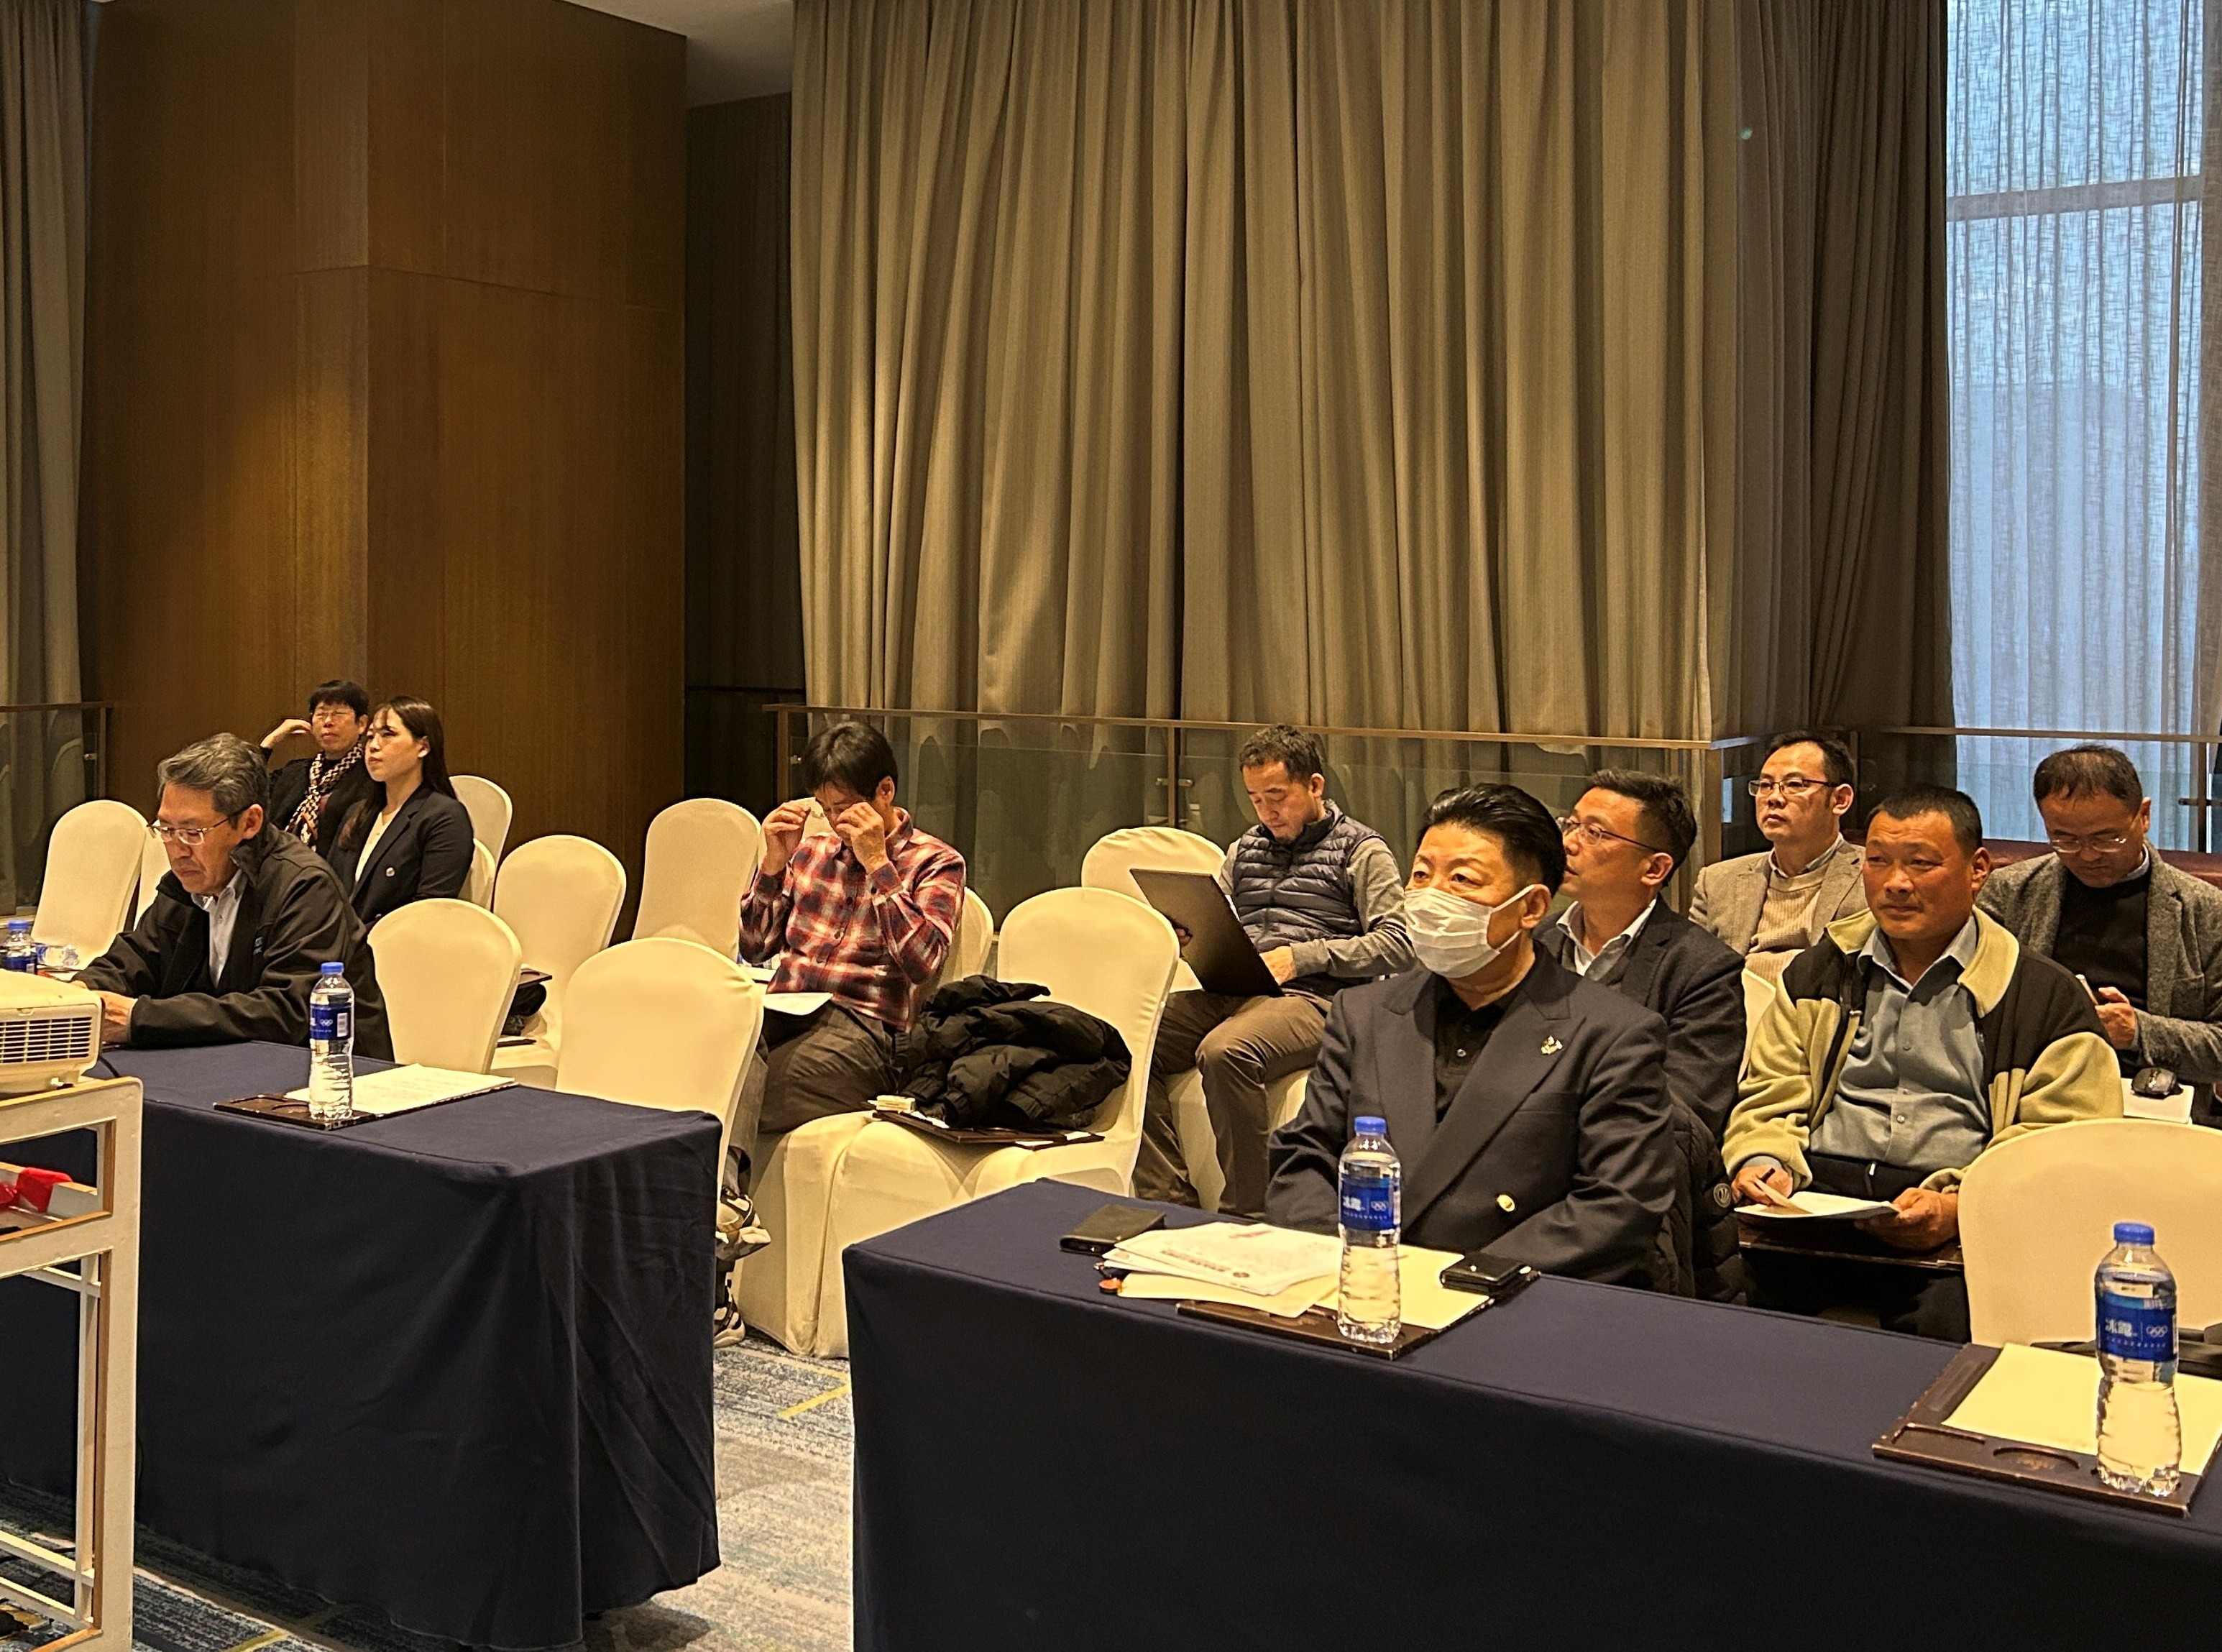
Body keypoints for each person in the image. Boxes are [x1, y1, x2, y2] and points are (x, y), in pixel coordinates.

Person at [1726, 786, 2120, 1339]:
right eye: (1877, 862)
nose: (1895, 883)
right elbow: (1770, 1090)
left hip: (1956, 1213)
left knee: (1949, 1337)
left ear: (1977, 870)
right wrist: (1762, 1159)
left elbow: (2061, 1142)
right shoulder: (1820, 972)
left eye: (1920, 864)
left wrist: (1961, 1204)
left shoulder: (2040, 996)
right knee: (1717, 1300)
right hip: (1812, 1201)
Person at [1264, 784, 1674, 1284]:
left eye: (1462, 879)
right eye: (1421, 875)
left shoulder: (1612, 1034)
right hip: (1359, 1283)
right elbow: (1304, 1156)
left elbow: (1618, 1204)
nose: (1431, 897)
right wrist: (1350, 1259)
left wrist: (1462, 1280)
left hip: (1509, 1297)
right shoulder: (1364, 1013)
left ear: (1531, 907)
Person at [1132, 725, 1411, 1217]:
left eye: (1277, 797)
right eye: (1256, 799)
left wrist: (1303, 957)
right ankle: (1167, 1199)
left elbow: (1399, 944)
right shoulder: (1244, 850)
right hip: (1237, 986)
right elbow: (1220, 915)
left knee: (1226, 1051)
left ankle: (1250, 1213)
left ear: (1315, 786)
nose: (1266, 812)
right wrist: (1190, 936)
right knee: (1131, 1039)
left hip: (1317, 999)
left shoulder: (1361, 850)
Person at [729, 721, 966, 1182]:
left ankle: (722, 1200)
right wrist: (773, 866)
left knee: (732, 1089)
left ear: (885, 791)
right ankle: (725, 1202)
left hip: (866, 1032)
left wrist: (878, 864)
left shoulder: (936, 862)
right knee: (708, 1052)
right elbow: (755, 949)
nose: (836, 823)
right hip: (783, 1011)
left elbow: (922, 962)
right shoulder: (812, 852)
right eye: (826, 810)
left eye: (845, 808)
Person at [79, 733, 390, 1055]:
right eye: (167, 830)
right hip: (226, 1062)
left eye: (193, 832)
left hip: (329, 1071)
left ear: (249, 823)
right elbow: (138, 957)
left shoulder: (304, 886)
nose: (177, 850)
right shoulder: (188, 882)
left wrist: (139, 1018)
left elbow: (286, 1011)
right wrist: (78, 995)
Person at [1980, 744, 2222, 1127]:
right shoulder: (2011, 893)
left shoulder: (2205, 911)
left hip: (2154, 1106)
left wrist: (2138, 1031)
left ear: (2144, 816)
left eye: (2108, 838)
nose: (2088, 855)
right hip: (2031, 1097)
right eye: (2065, 840)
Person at [1539, 770, 1744, 1134]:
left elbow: (1686, 1111)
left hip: (1623, 1153)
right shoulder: (1536, 939)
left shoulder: (1704, 970)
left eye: (1594, 833)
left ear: (1654, 868)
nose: (1568, 844)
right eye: (1570, 825)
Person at [1690, 732, 1866, 980]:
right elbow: (1691, 974)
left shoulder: (1873, 876)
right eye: (1765, 785)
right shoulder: (1717, 880)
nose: (1774, 798)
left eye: (1794, 785)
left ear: (1840, 800)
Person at [328, 697, 476, 927]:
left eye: (388, 734)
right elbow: (329, 889)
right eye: (370, 737)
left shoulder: (445, 817)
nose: (374, 746)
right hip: (340, 941)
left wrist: (351, 940)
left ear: (423, 747)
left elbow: (429, 910)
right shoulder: (357, 813)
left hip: (395, 943)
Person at [262, 679, 380, 863]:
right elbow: (247, 792)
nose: (328, 722)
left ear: (362, 723)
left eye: (338, 714)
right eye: (321, 714)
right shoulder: (295, 772)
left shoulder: (373, 777)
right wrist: (269, 742)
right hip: (279, 870)